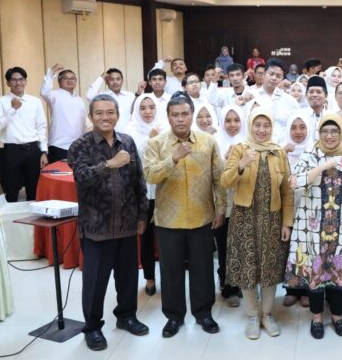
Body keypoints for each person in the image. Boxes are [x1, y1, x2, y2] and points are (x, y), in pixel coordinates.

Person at [68, 94, 149, 351]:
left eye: (110, 112)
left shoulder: (128, 142)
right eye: (100, 113)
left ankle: (126, 316)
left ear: (118, 115)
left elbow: (139, 181)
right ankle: (92, 327)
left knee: (127, 277)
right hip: (96, 227)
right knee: (95, 282)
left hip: (126, 223)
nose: (106, 117)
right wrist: (109, 164)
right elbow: (81, 177)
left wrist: (142, 215)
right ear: (91, 117)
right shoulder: (81, 145)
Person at [143, 93, 226, 338]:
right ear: (168, 116)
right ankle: (174, 316)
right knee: (171, 271)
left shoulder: (208, 141)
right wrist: (173, 159)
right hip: (169, 220)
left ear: (192, 114)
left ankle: (203, 313)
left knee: (202, 269)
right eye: (175, 115)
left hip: (202, 217)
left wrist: (221, 208)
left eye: (185, 114)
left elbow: (218, 178)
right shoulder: (156, 144)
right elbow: (150, 175)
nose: (180, 119)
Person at [286, 113, 342, 339]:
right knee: (316, 272)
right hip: (312, 228)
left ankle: (337, 316)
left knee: (339, 271)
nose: (329, 136)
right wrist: (320, 167)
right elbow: (294, 182)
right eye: (325, 131)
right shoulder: (310, 155)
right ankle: (316, 317)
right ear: (319, 133)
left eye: (334, 131)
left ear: (341, 132)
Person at [220, 108, 293, 340]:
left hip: (272, 219)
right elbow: (225, 181)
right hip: (244, 218)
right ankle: (253, 315)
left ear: (272, 127)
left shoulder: (279, 152)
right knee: (248, 266)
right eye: (257, 125)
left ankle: (268, 314)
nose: (261, 130)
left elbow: (287, 191)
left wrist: (286, 223)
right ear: (250, 126)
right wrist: (241, 163)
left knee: (269, 268)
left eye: (266, 125)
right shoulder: (241, 148)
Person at [0, 67, 48, 201]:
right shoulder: (0, 102)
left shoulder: (35, 102)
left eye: (21, 79)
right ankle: (10, 220)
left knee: (34, 188)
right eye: (14, 80)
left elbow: (41, 127)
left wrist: (44, 151)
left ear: (25, 81)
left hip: (33, 150)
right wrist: (12, 109)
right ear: (8, 83)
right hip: (11, 151)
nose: (18, 83)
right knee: (11, 189)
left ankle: (34, 220)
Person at [127, 95, 162, 296]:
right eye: (143, 108)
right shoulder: (130, 131)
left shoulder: (164, 127)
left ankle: (168, 276)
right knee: (146, 237)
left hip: (162, 191)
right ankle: (149, 278)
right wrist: (149, 138)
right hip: (141, 193)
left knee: (166, 238)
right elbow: (133, 159)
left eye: (151, 107)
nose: (148, 112)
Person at [214, 105, 247, 308]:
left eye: (236, 120)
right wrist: (226, 161)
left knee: (245, 247)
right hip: (224, 206)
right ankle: (228, 287)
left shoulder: (249, 143)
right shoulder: (215, 143)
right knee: (225, 247)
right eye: (228, 120)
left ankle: (245, 284)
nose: (232, 125)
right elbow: (214, 178)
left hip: (245, 204)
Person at [280, 112, 314, 308]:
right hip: (287, 209)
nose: (298, 132)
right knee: (289, 249)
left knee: (308, 249)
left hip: (310, 209)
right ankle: (292, 288)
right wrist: (282, 154)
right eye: (293, 127)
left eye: (302, 127)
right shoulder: (281, 150)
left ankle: (308, 289)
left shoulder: (314, 151)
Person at [40, 63, 87, 162]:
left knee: (75, 176)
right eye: (65, 78)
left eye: (72, 78)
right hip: (58, 145)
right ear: (59, 81)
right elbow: (44, 91)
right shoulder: (54, 95)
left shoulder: (79, 100)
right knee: (58, 175)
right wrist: (50, 73)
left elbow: (83, 123)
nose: (70, 81)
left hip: (78, 146)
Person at [253, 58, 300, 141]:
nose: (274, 78)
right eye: (271, 74)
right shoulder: (252, 96)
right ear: (264, 74)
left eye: (278, 76)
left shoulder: (290, 101)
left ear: (283, 79)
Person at [85, 68, 136, 133]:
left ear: (122, 81)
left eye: (118, 79)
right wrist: (101, 78)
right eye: (112, 79)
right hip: (108, 135)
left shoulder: (130, 95)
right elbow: (89, 96)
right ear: (106, 81)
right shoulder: (102, 96)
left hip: (128, 135)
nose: (115, 82)